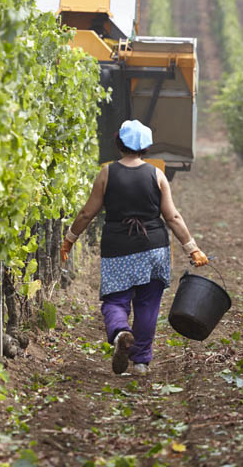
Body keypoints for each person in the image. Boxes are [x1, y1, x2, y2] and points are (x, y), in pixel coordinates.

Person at [60, 120, 208, 375]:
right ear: (146, 147)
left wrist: (69, 240)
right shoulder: (157, 175)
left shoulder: (107, 173)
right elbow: (172, 217)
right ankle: (140, 361)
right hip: (154, 248)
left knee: (115, 299)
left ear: (119, 143)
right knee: (148, 305)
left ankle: (120, 332)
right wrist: (192, 248)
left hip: (118, 247)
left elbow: (87, 213)